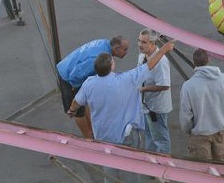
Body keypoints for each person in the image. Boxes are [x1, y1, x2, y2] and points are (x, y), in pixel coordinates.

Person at [68, 40, 175, 183]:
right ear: (111, 66)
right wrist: (163, 50)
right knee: (131, 168)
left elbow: (76, 102)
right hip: (126, 135)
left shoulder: (89, 83)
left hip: (104, 136)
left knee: (109, 168)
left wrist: (71, 110)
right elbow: (149, 65)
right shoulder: (126, 79)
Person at [56, 36, 129, 139]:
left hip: (72, 65)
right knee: (78, 111)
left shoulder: (105, 43)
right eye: (125, 49)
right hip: (68, 77)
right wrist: (79, 90)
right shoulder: (94, 60)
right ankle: (88, 137)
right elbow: (75, 76)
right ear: (116, 48)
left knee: (85, 102)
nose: (126, 52)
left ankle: (92, 130)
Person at [179, 49, 224, 162]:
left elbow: (186, 114)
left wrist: (189, 130)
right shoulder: (222, 79)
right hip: (220, 132)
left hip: (199, 135)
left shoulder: (188, 86)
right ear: (208, 60)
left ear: (194, 63)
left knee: (203, 173)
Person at [137, 28, 172, 155]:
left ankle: (163, 169)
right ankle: (151, 164)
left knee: (160, 139)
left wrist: (144, 89)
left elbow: (164, 85)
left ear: (153, 44)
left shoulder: (161, 62)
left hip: (156, 108)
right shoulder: (142, 56)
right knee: (149, 136)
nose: (140, 45)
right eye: (139, 41)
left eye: (144, 42)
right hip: (146, 105)